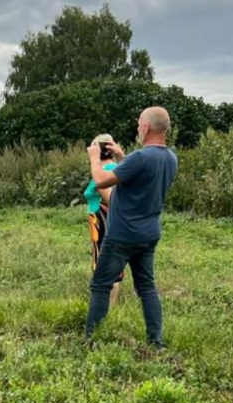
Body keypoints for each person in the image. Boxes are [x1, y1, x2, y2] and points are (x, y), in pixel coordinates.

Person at [84, 107, 178, 349]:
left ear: (145, 128)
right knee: (146, 287)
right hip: (149, 234)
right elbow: (141, 173)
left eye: (139, 125)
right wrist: (123, 156)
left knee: (101, 285)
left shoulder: (141, 157)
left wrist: (95, 157)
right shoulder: (169, 158)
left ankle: (91, 340)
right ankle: (156, 342)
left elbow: (102, 180)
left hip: (122, 234)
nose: (138, 128)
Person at [83, 134, 124, 308]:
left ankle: (106, 307)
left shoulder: (105, 171)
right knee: (106, 262)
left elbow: (111, 200)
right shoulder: (117, 168)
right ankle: (106, 304)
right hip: (99, 222)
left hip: (103, 222)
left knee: (106, 264)